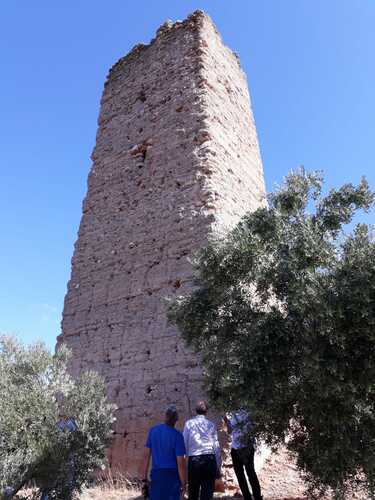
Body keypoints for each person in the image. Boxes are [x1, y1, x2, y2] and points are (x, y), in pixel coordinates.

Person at [140, 405, 186, 500]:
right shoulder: (178, 436)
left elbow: (145, 457)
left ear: (165, 417)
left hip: (157, 475)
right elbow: (180, 463)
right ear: (176, 420)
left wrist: (143, 479)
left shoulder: (153, 432)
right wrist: (183, 483)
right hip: (172, 477)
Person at [183, 401, 221, 500]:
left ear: (196, 411)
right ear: (206, 412)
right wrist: (218, 465)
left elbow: (184, 443)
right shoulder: (211, 425)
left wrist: (186, 461)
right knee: (207, 493)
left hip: (194, 460)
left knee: (193, 492)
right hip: (209, 459)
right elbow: (216, 446)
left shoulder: (189, 424)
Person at [224, 409, 263, 500]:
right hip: (241, 447)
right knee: (248, 473)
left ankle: (252, 497)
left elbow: (229, 431)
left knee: (244, 474)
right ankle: (254, 497)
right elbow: (230, 431)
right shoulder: (245, 412)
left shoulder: (243, 413)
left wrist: (226, 420)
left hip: (242, 447)